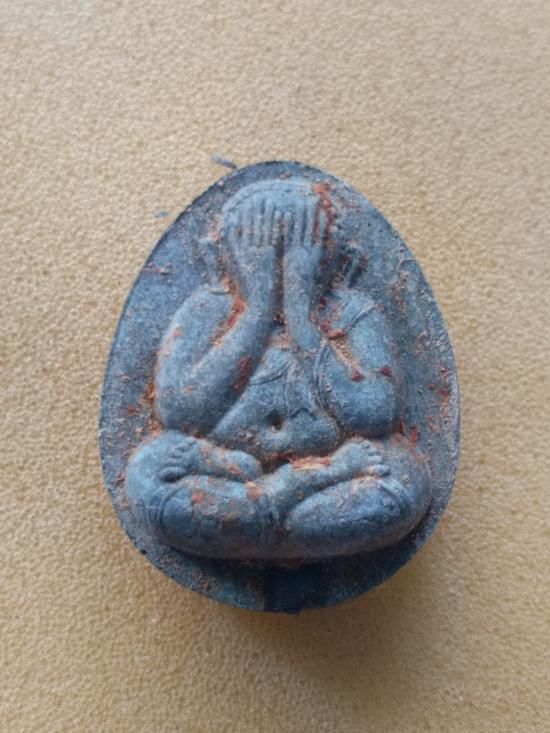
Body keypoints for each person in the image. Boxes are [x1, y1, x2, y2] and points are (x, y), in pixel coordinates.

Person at [126, 179, 430, 560]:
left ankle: (260, 513)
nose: (280, 261)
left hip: (298, 483)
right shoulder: (208, 307)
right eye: (257, 244)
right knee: (146, 472)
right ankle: (290, 505)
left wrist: (300, 314)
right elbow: (178, 411)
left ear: (337, 259)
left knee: (405, 479)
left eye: (301, 245)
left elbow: (377, 414)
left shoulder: (351, 311)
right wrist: (258, 309)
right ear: (221, 254)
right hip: (226, 470)